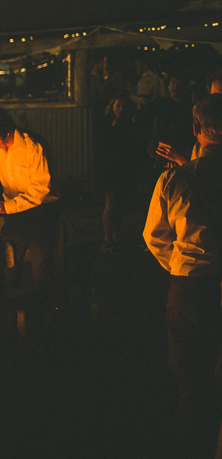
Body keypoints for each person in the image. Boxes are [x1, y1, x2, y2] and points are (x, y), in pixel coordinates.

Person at [142, 94, 222, 458]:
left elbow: (154, 237)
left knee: (193, 382)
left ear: (195, 130)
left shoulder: (175, 179)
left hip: (192, 287)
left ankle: (196, 448)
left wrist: (179, 264)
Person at [0, 107, 58, 291]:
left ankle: (43, 313)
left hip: (41, 213)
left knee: (41, 271)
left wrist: (6, 207)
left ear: (6, 131)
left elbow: (41, 189)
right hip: (13, 214)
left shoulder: (34, 145)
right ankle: (8, 313)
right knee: (7, 267)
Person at [96, 95, 141, 253]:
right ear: (112, 107)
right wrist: (113, 129)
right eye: (118, 106)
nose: (121, 109)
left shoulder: (129, 124)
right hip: (110, 168)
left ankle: (116, 236)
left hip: (124, 168)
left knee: (120, 205)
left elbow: (133, 146)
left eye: (124, 106)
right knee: (111, 203)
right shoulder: (106, 123)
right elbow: (102, 145)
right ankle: (108, 238)